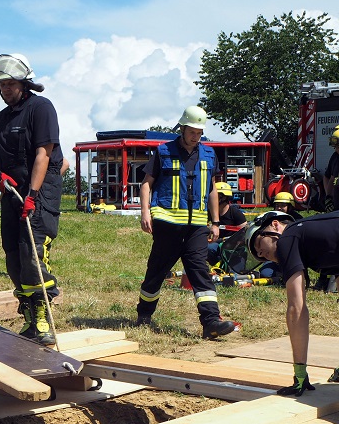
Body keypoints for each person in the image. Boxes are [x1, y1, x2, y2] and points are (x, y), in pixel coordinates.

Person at [136, 106, 236, 339]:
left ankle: (211, 322)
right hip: (167, 225)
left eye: (199, 132)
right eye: (192, 131)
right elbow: (146, 184)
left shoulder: (209, 154)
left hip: (196, 227)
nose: (196, 136)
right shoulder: (163, 152)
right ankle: (144, 315)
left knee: (200, 270)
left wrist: (215, 222)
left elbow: (212, 190)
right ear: (182, 128)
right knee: (157, 272)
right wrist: (145, 212)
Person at [0, 53, 63, 346]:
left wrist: (32, 195)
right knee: (13, 257)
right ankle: (29, 316)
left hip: (38, 195)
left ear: (23, 82)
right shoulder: (2, 118)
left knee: (32, 254)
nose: (4, 89)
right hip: (11, 194)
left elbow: (44, 154)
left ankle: (43, 316)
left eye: (9, 84)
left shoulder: (41, 108)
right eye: (1, 85)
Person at [245, 210, 339, 394]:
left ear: (275, 225)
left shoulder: (288, 237)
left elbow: (296, 308)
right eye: (257, 255)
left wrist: (300, 374)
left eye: (258, 242)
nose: (260, 252)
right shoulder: (319, 243)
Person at [207, 182, 247, 266]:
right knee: (208, 248)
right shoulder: (210, 213)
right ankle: (218, 265)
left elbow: (244, 233)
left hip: (235, 249)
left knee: (235, 272)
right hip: (217, 245)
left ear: (224, 197)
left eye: (215, 196)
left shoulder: (236, 213)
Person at [323, 125, 339, 212]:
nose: (336, 150)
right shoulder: (336, 157)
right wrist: (328, 197)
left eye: (338, 147)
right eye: (335, 147)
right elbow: (331, 178)